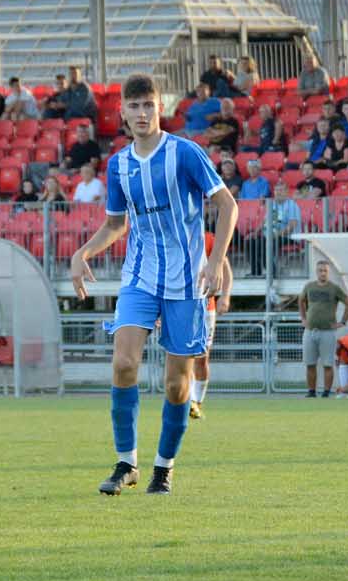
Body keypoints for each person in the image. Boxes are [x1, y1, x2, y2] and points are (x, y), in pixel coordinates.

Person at [69, 73, 237, 496]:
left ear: (159, 107)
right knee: (124, 364)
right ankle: (126, 462)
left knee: (177, 384)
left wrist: (215, 262)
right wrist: (82, 253)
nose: (142, 113)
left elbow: (226, 204)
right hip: (140, 277)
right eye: (134, 106)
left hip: (186, 282)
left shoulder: (184, 154)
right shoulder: (119, 164)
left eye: (149, 105)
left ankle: (164, 468)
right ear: (122, 111)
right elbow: (115, 224)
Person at [188, 229, 233, 420]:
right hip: (180, 305)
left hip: (206, 306)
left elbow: (225, 268)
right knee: (182, 355)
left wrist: (225, 295)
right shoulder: (175, 234)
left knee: (202, 357)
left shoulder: (209, 239)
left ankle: (197, 401)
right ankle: (187, 401)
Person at [298, 260, 348, 398]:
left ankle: (326, 392)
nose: (322, 273)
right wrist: (303, 318)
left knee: (328, 364)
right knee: (310, 364)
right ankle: (311, 391)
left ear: (328, 272)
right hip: (310, 331)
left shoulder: (334, 288)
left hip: (327, 332)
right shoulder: (309, 286)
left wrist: (342, 322)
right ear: (316, 272)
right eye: (320, 270)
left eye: (325, 271)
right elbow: (301, 301)